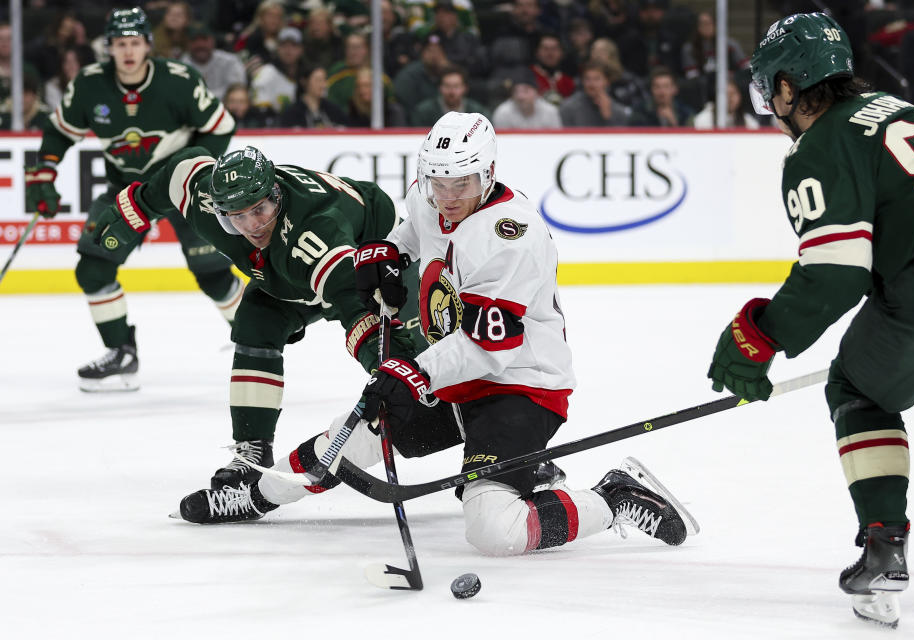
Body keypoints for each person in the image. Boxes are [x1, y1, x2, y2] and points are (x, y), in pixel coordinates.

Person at [172, 112, 690, 559]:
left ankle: (614, 495)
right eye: (437, 182)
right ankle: (259, 492)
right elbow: (409, 232)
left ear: (488, 173)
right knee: (350, 436)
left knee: (492, 530)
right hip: (452, 378)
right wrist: (387, 254)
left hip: (519, 387)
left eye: (460, 184)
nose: (446, 197)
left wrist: (413, 371)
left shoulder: (511, 237)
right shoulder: (432, 195)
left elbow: (490, 346)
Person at [707, 12, 914, 627]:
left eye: (772, 89)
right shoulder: (899, 108)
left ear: (791, 88)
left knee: (858, 389)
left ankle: (883, 542)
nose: (771, 104)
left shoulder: (820, 145)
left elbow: (838, 272)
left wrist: (757, 336)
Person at [94, 143, 436, 492]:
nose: (251, 225)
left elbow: (354, 305)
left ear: (276, 194)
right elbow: (181, 169)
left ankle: (482, 444)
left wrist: (386, 361)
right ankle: (252, 453)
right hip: (291, 271)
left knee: (424, 365)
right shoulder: (209, 202)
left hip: (373, 257)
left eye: (259, 209)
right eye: (236, 217)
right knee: (256, 322)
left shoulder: (313, 232)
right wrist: (132, 211)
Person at [23, 7, 239, 393]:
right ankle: (121, 352)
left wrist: (189, 167)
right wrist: (43, 173)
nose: (127, 51)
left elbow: (221, 127)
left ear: (148, 46)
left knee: (214, 276)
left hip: (183, 189)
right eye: (120, 44)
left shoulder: (179, 80)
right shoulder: (89, 84)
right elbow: (59, 131)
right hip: (127, 192)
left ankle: (255, 337)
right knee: (92, 270)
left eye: (134, 43)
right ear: (108, 47)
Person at [180, 22, 247, 101]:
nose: (200, 44)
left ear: (213, 41)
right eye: (195, 40)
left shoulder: (230, 61)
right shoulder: (180, 65)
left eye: (204, 39)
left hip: (226, 110)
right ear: (188, 43)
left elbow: (237, 90)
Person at [409, 65, 487, 127]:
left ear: (465, 88)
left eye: (456, 86)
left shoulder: (478, 112)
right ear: (440, 88)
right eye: (447, 86)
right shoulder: (423, 112)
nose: (451, 91)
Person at [559, 61, 630, 127]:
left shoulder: (619, 111)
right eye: (587, 79)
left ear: (607, 81)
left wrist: (608, 117)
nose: (591, 84)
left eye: (596, 79)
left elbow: (621, 138)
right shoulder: (568, 107)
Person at [492, 67, 562, 129]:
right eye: (515, 91)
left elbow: (556, 139)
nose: (520, 96)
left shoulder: (550, 112)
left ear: (537, 93)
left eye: (526, 91)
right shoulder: (503, 113)